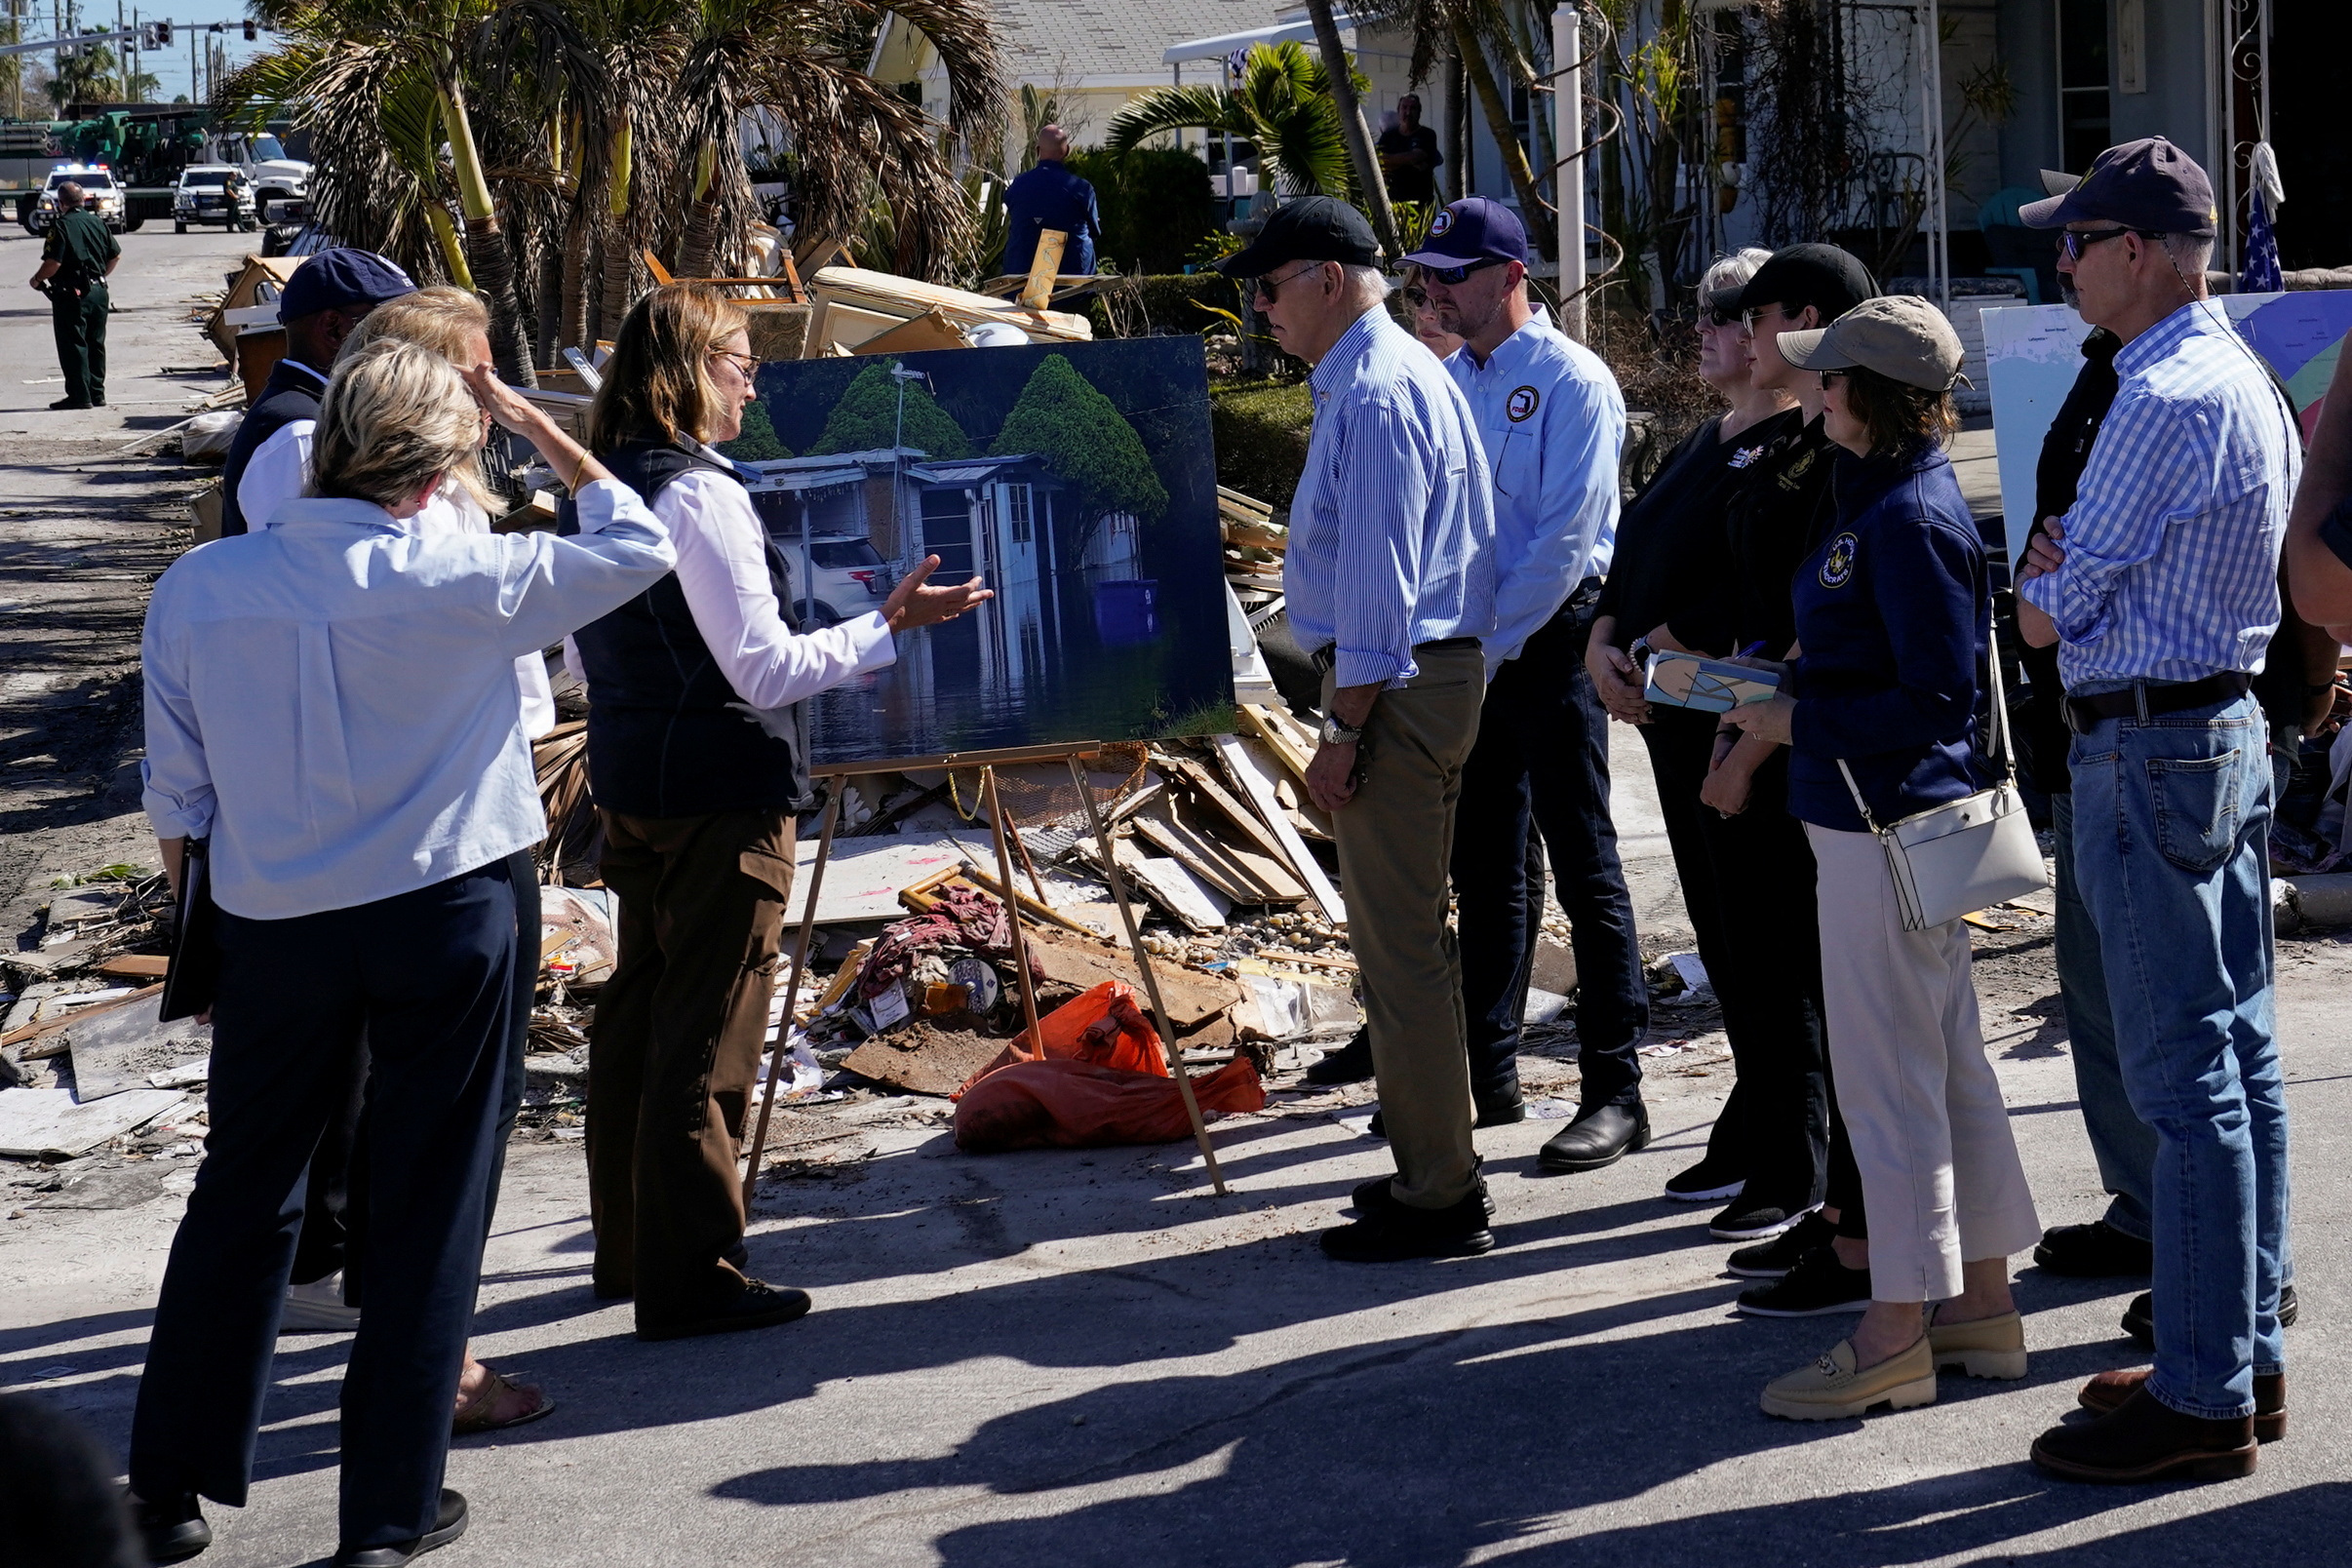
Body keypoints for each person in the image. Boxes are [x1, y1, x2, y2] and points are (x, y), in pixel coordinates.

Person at [129, 340, 676, 1566]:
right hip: (447, 905)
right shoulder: (465, 573)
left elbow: (181, 798)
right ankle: (386, 1511)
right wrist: (540, 428)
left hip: (273, 917)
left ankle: (165, 1487)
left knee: (244, 1188)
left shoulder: (201, 587)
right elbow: (641, 542)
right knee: (433, 1196)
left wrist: (206, 942)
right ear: (441, 469)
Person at [572, 284, 989, 1338]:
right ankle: (689, 1276)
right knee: (706, 1030)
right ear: (685, 371)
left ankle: (632, 1251)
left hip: (637, 782)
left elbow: (581, 656)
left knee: (642, 1015)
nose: (752, 384)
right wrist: (884, 627)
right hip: (721, 790)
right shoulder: (698, 493)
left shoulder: (606, 482)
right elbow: (760, 669)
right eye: (738, 363)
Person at [2013, 137, 2300, 1482]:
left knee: (2187, 1084)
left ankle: (2201, 1394)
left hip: (2150, 742)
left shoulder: (2160, 393)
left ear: (2137, 251)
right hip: (2218, 730)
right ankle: (2238, 1354)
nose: (2062, 267)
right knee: (2237, 1064)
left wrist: (2045, 582)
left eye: (2077, 244)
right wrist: (2058, 576)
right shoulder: (2233, 371)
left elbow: (2051, 604)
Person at [238, 286, 559, 1437]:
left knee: (446, 1117)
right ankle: (425, 1373)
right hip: (407, 836)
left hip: (465, 811)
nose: (491, 395)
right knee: (430, 1124)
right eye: (474, 375)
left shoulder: (445, 491)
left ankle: (415, 1348)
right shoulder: (321, 477)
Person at [1725, 295, 2042, 1421]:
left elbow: (1937, 701)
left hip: (1884, 829)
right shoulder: (1885, 492)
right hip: (1884, 828)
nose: (1810, 389)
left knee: (1891, 1085)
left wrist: (1793, 721)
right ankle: (1979, 1307)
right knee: (1943, 1069)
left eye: (1826, 375)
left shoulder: (1908, 515)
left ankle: (1894, 1331)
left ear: (1867, 393)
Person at [1218, 197, 1497, 1261]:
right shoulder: (1382, 375)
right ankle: (1433, 1166)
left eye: (1271, 285)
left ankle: (1442, 1193)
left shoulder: (1377, 390)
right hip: (1416, 681)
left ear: (1329, 278)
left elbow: (1381, 595)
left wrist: (1341, 731)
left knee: (1402, 949)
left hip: (1397, 686)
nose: (1261, 307)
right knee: (1406, 941)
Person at [1588, 246, 1837, 1243]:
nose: (1705, 327)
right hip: (1675, 720)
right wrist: (1605, 637)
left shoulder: (1799, 445)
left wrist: (1671, 636)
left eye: (1730, 311)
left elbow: (1764, 586)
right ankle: (1757, 1112)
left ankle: (1798, 1148)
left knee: (1773, 943)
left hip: (1740, 721)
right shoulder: (1707, 437)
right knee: (1726, 937)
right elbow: (1635, 548)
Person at [1403, 197, 1647, 1171]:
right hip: (1475, 646)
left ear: (1510, 276)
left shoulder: (1572, 380)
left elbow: (1562, 544)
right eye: (1428, 275)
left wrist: (1487, 649)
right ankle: (1488, 1074)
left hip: (1550, 641)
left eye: (1452, 276)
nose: (1434, 292)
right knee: (1487, 866)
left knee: (1584, 861)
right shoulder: (1447, 380)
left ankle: (1615, 1089)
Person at [1699, 243, 1885, 1316]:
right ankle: (1840, 1209)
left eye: (1757, 315)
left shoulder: (1853, 467)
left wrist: (1748, 749)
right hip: (1769, 728)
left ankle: (1861, 1230)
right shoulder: (1805, 446)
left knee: (1846, 1008)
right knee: (1809, 985)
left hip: (1812, 751)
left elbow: (1822, 631)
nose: (1743, 331)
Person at [219, 248, 418, 536]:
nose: (410, 344)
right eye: (396, 327)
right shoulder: (299, 434)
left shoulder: (321, 414)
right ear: (334, 328)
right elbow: (292, 555)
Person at [29, 181, 119, 411]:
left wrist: (37, 279)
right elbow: (115, 256)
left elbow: (53, 263)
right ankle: (97, 392)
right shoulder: (97, 222)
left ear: (61, 203)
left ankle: (80, 395)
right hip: (99, 292)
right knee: (95, 342)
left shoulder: (61, 226)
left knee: (73, 343)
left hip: (73, 294)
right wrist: (99, 276)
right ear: (83, 200)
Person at [1000, 125, 1100, 279]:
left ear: (1037, 150)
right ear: (1067, 151)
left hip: (1020, 278)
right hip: (1072, 281)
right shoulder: (1081, 188)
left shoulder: (1018, 186)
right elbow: (1095, 231)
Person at [1377, 94, 1444, 206]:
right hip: (1393, 202)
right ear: (1398, 111)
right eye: (1404, 108)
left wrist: (1391, 161)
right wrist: (1408, 161)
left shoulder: (1427, 134)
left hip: (1421, 202)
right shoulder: (1388, 136)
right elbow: (1378, 160)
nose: (1408, 112)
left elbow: (1416, 157)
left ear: (1419, 112)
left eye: (1413, 108)